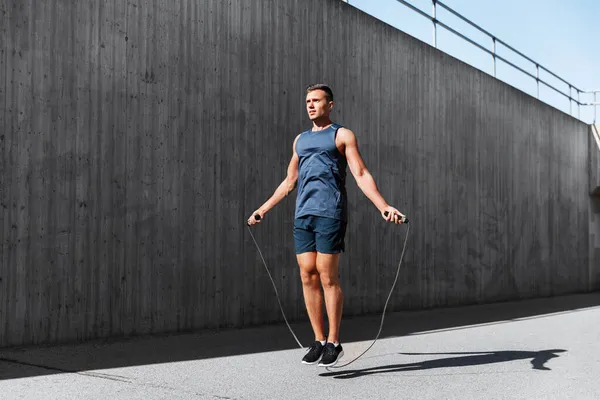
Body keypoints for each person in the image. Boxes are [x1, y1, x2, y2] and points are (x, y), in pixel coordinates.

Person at [247, 84, 406, 367]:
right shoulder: (300, 140)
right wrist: (263, 209)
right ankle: (318, 340)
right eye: (307, 100)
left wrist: (383, 206)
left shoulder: (342, 135)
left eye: (316, 100)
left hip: (330, 213)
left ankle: (334, 341)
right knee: (307, 274)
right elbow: (289, 181)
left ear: (330, 104)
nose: (310, 105)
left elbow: (360, 173)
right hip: (303, 214)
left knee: (326, 275)